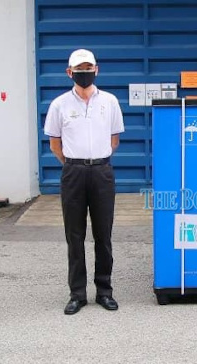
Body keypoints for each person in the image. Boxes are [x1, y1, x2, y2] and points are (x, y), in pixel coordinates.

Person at [43, 49, 124, 315]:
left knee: (103, 235)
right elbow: (55, 144)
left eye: (89, 67)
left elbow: (114, 140)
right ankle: (77, 294)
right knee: (74, 235)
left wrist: (96, 161)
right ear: (70, 72)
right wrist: (74, 164)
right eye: (79, 68)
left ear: (96, 69)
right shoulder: (59, 105)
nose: (84, 72)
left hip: (101, 171)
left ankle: (104, 291)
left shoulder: (110, 101)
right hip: (74, 172)